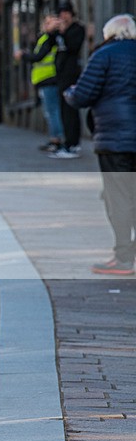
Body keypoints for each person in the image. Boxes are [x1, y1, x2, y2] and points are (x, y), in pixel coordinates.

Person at [64, 14, 136, 275]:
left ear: (110, 34)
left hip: (115, 138)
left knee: (118, 197)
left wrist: (69, 93)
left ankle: (124, 258)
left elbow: (83, 95)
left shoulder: (104, 55)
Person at [15, 15, 64, 151]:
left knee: (52, 110)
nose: (46, 24)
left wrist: (23, 56)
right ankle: (55, 138)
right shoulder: (45, 38)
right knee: (51, 110)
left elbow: (39, 56)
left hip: (49, 78)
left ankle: (57, 139)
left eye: (49, 22)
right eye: (45, 22)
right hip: (45, 79)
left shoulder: (50, 38)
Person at [50, 1, 85, 159]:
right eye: (60, 13)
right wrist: (51, 30)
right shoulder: (58, 32)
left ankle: (72, 142)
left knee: (70, 109)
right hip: (61, 73)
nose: (63, 17)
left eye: (66, 13)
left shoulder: (77, 29)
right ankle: (67, 141)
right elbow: (49, 44)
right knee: (63, 109)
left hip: (71, 74)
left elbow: (73, 46)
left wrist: (63, 33)